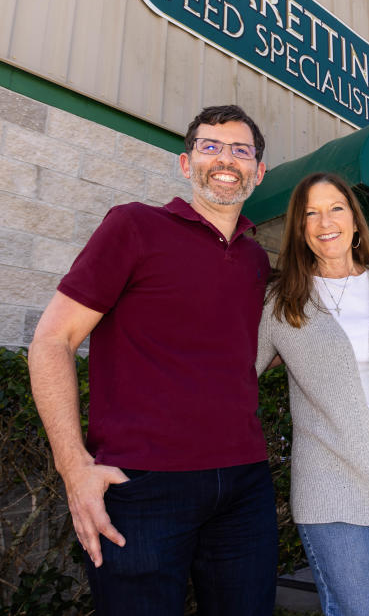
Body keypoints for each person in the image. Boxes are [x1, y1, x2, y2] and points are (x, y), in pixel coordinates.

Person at [28, 105, 276, 615]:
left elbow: (234, 356)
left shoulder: (255, 260)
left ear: (258, 170)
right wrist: (75, 468)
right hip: (142, 486)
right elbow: (52, 341)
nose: (225, 159)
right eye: (210, 146)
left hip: (244, 485)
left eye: (240, 150)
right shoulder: (134, 226)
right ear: (186, 164)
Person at [256, 172, 369, 616]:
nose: (323, 221)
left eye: (335, 208)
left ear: (354, 220)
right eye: (309, 213)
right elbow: (232, 379)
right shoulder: (280, 302)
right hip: (329, 485)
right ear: (299, 229)